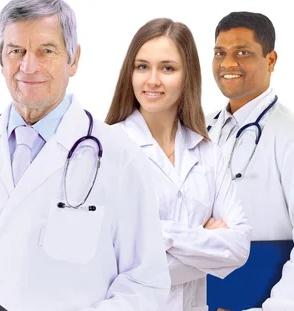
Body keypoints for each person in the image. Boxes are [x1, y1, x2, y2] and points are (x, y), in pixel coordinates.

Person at [0, 1, 171, 310]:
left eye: (46, 51)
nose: (29, 66)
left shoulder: (120, 156)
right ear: (1, 60)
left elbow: (144, 282)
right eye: (16, 51)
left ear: (73, 59)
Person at [105, 17, 251, 311]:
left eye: (167, 68)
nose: (152, 80)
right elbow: (112, 265)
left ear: (188, 76)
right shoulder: (108, 148)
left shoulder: (207, 152)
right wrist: (205, 241)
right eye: (142, 66)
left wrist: (158, 235)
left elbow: (239, 248)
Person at [206, 11, 294, 311]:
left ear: (271, 60)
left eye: (243, 52)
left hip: (266, 299)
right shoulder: (201, 129)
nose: (228, 63)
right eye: (220, 53)